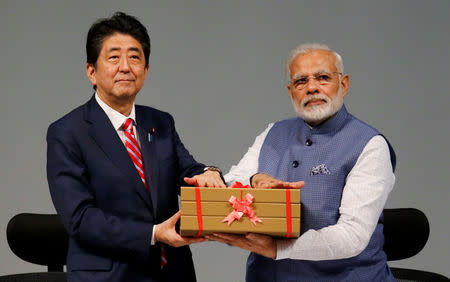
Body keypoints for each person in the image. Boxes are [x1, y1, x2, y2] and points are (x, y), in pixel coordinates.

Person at [46, 12, 225, 282]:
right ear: (91, 71)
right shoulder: (67, 132)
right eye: (114, 57)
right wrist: (152, 234)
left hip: (172, 272)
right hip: (109, 275)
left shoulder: (160, 122)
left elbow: (188, 170)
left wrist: (209, 173)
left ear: (146, 70)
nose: (126, 67)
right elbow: (80, 219)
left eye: (135, 57)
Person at [207, 43, 397, 281]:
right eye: (300, 81)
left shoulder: (369, 144)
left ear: (344, 84)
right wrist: (256, 179)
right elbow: (232, 182)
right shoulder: (273, 132)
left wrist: (278, 248)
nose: (312, 88)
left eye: (323, 78)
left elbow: (352, 236)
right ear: (290, 91)